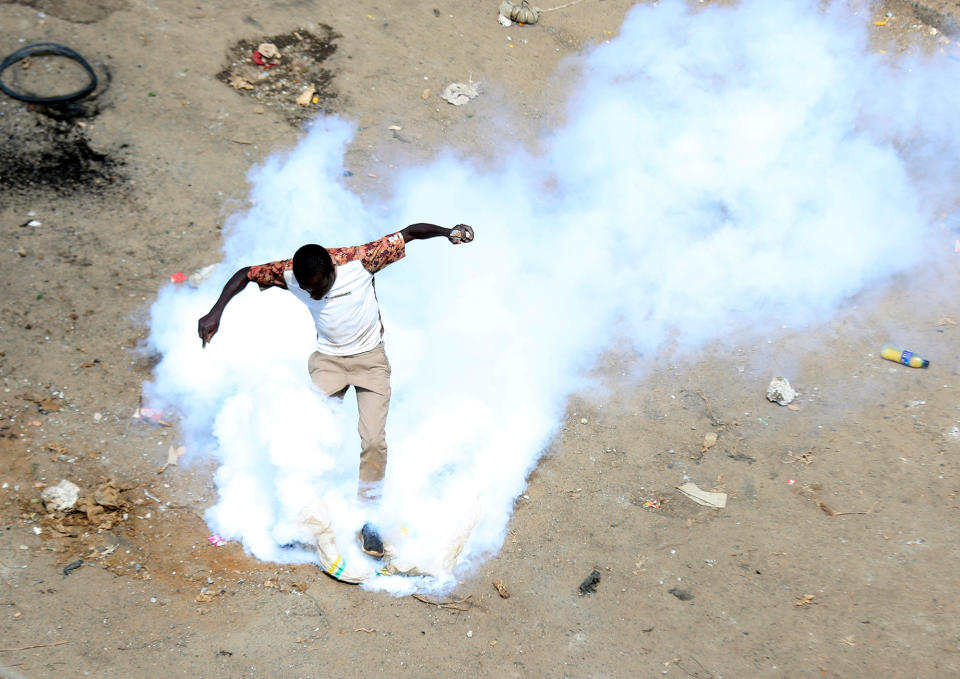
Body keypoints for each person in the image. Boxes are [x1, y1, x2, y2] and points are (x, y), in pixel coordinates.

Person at [197, 223, 475, 558]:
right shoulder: (289, 275)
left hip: (370, 361)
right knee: (305, 435)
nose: (312, 295)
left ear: (331, 270)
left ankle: (368, 518)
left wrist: (448, 232)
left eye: (318, 288)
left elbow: (411, 233)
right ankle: (302, 516)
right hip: (328, 362)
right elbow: (245, 274)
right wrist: (216, 312)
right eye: (306, 290)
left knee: (373, 440)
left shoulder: (361, 261)